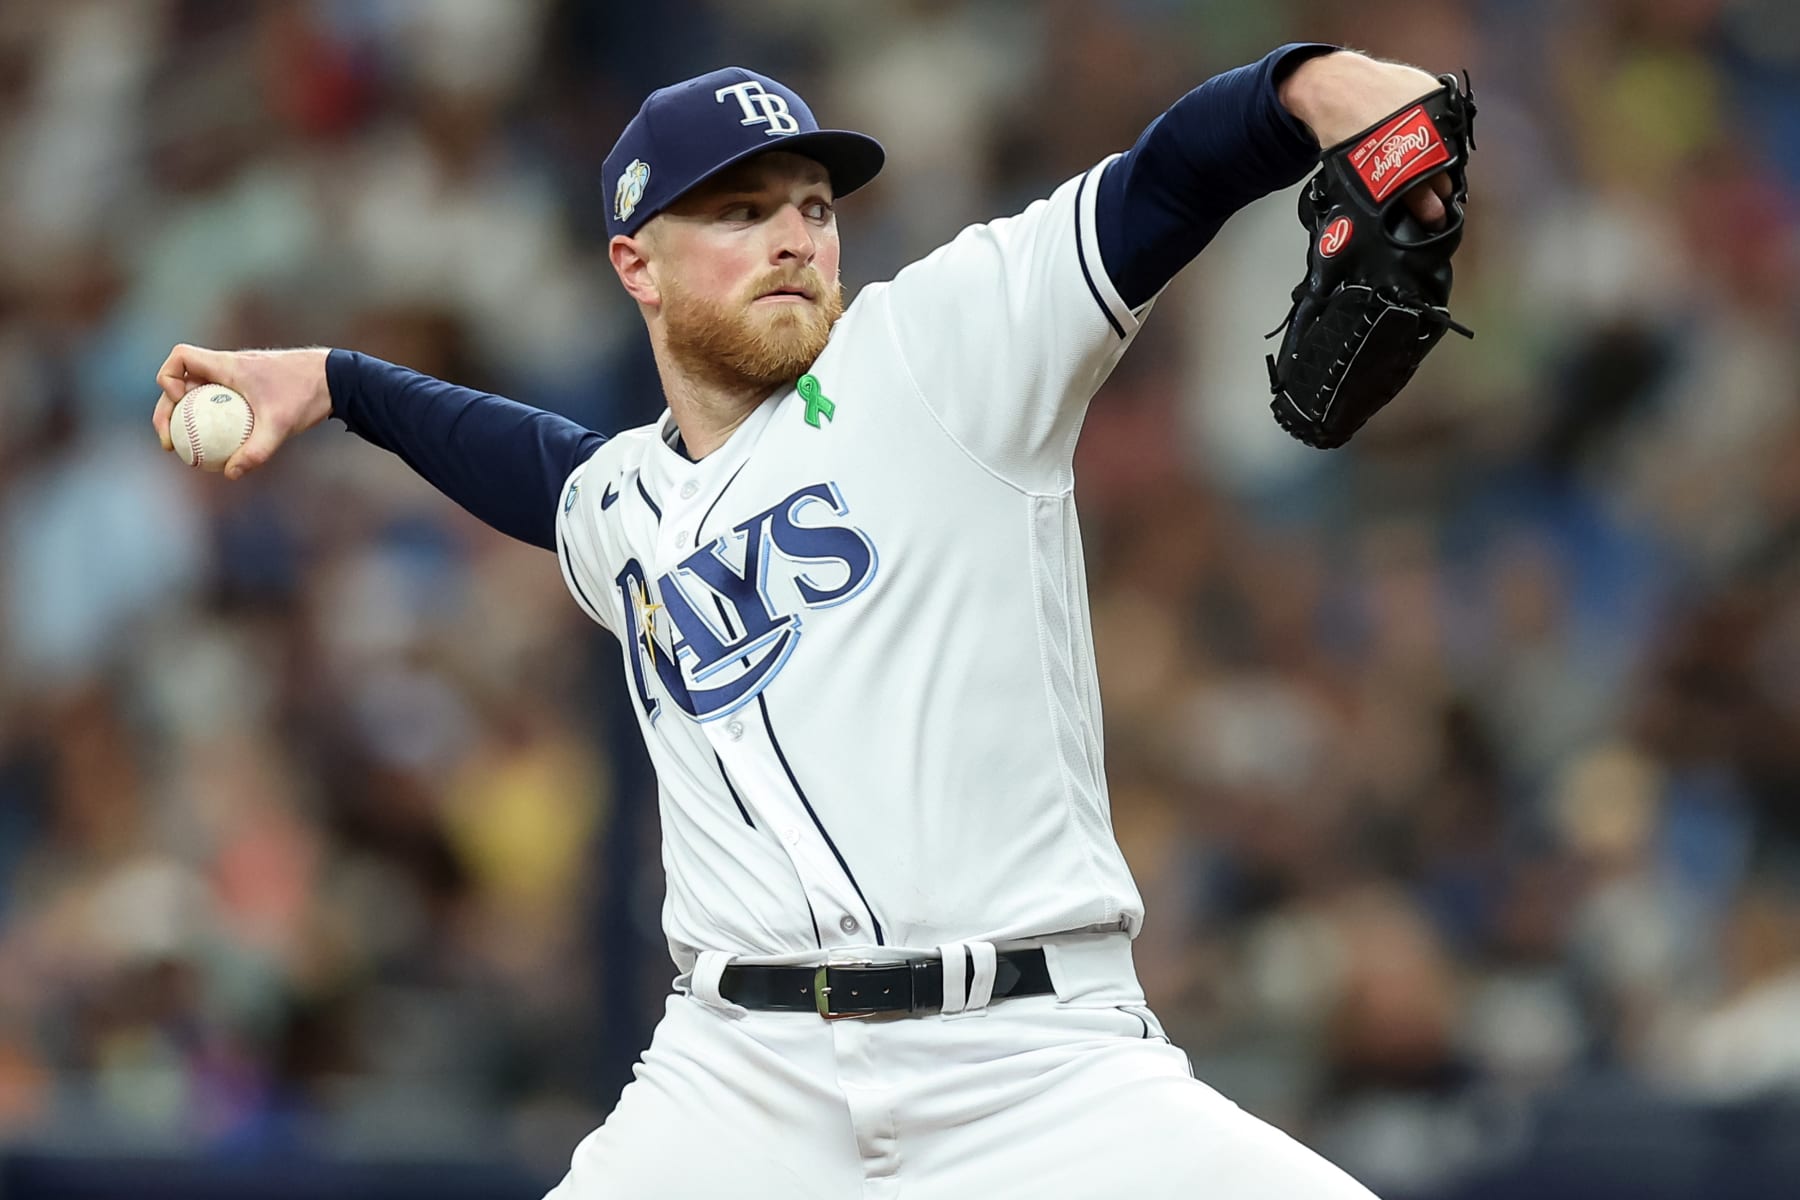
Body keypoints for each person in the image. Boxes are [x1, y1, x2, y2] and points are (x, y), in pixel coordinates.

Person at [154, 44, 1460, 1200]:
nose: (793, 235)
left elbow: (1163, 185)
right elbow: (528, 464)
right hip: (742, 1085)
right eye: (739, 209)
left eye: (814, 207)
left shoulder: (937, 354)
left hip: (1036, 1069)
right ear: (637, 264)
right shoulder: (628, 502)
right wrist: (332, 382)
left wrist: (1312, 87)